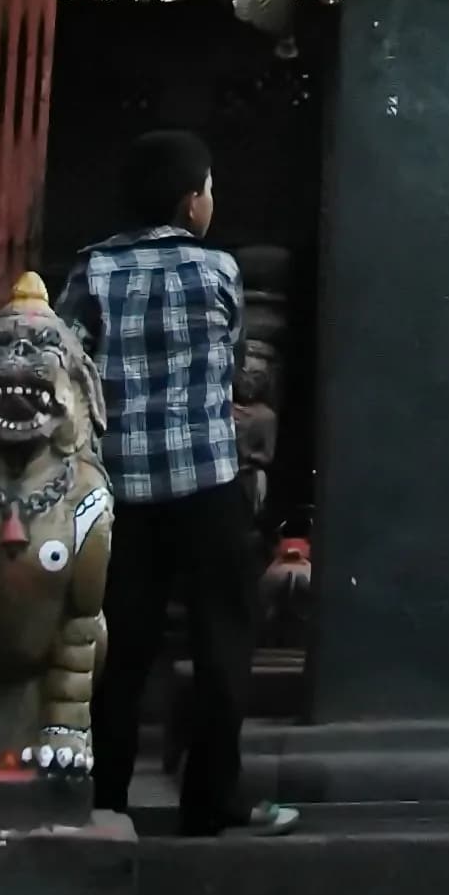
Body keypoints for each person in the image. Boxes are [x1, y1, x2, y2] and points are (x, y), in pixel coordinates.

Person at [57, 129, 294, 836]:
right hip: (207, 485)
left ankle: (105, 797)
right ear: (191, 203)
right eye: (209, 189)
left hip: (122, 492)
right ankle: (212, 800)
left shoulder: (93, 271)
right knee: (222, 640)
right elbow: (230, 361)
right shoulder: (217, 269)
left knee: (119, 647)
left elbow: (68, 371)